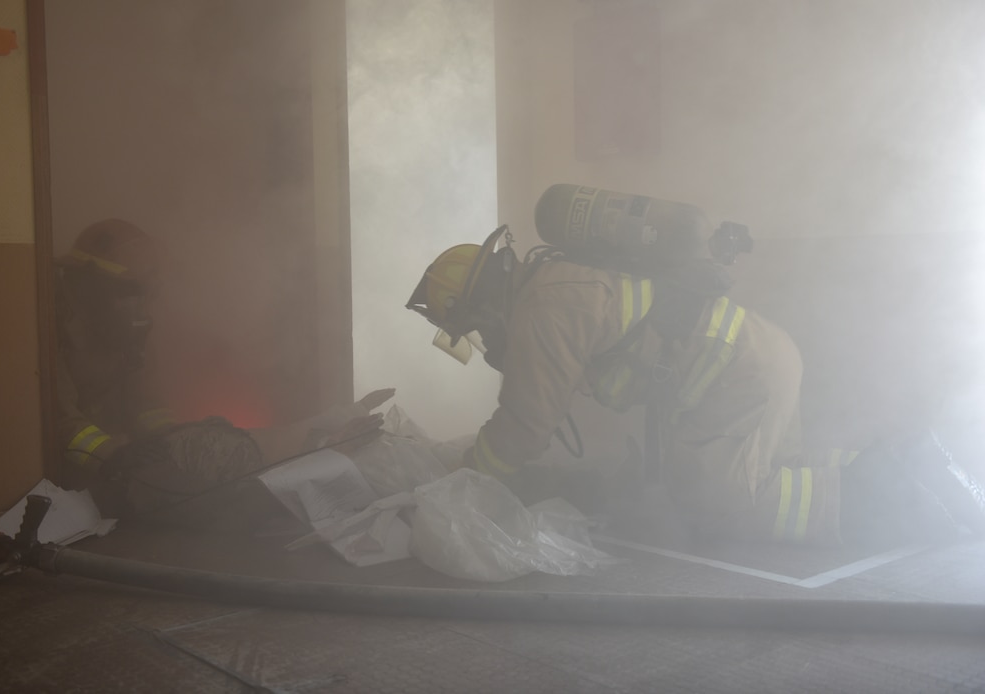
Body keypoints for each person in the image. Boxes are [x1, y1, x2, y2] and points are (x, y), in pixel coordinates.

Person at [406, 221, 985, 548]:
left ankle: (899, 488)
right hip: (750, 362)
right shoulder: (557, 286)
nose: (483, 336)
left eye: (474, 323)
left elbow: (527, 422)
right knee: (784, 472)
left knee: (735, 506)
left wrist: (468, 481)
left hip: (739, 377)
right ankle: (900, 461)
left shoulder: (544, 306)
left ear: (482, 300)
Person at [55, 218, 393, 525]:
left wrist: (174, 437)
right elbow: (60, 422)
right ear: (89, 287)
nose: (140, 307)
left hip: (134, 457)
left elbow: (146, 400)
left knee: (225, 453)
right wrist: (112, 454)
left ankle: (324, 443)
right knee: (228, 474)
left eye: (145, 294)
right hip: (91, 475)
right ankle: (322, 444)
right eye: (128, 293)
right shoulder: (52, 334)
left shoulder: (129, 334)